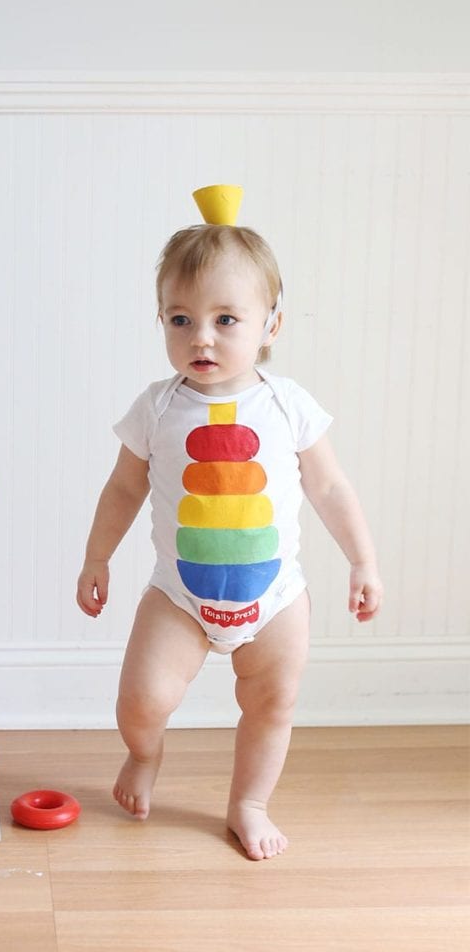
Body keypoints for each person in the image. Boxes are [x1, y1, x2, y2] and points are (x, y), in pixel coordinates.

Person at [76, 208, 383, 860]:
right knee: (141, 699)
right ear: (161, 320)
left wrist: (362, 561)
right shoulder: (156, 407)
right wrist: (96, 556)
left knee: (273, 703)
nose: (202, 338)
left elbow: (329, 488)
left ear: (271, 323)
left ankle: (249, 802)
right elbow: (124, 488)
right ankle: (144, 754)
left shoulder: (288, 404)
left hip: (275, 599)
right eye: (180, 319)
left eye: (226, 320)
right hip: (178, 595)